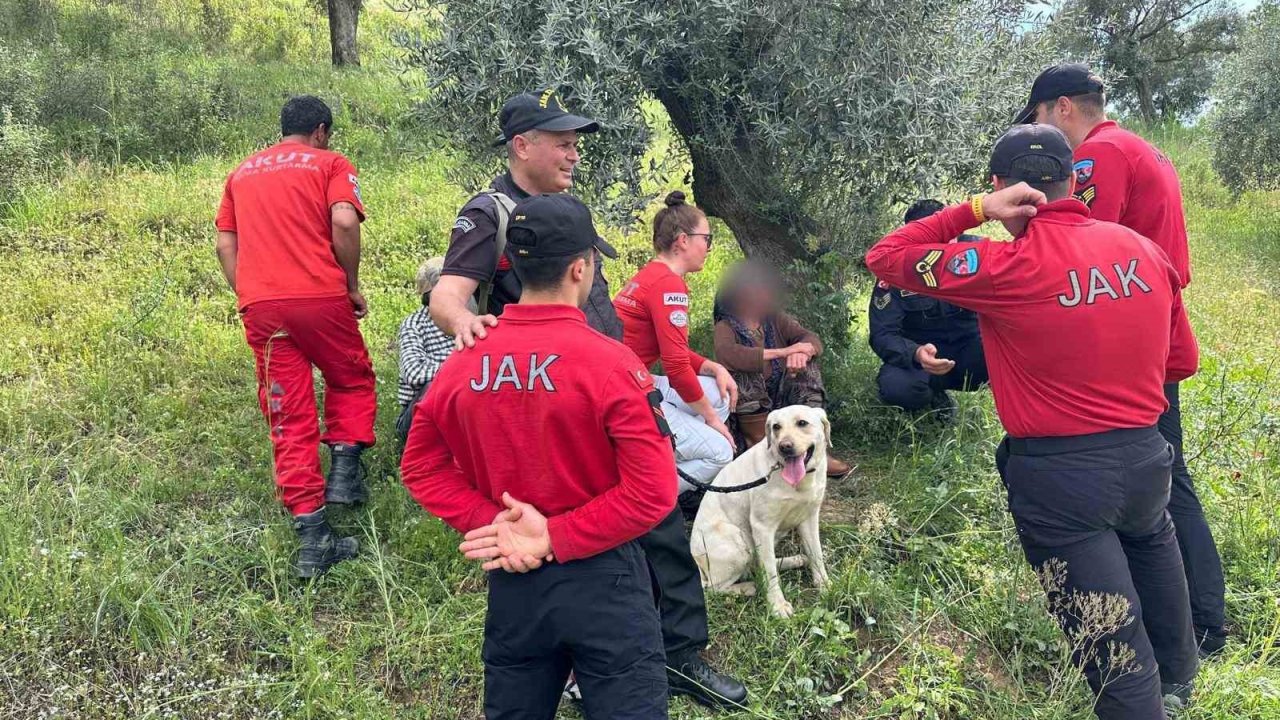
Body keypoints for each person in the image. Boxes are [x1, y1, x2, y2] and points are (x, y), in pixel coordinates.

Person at [865, 124, 1200, 719]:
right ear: (1073, 179)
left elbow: (884, 257)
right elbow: (1183, 361)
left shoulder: (1005, 264)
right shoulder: (1142, 250)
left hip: (1062, 478)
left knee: (1112, 652)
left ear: (1002, 188)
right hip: (1147, 457)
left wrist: (971, 210)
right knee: (1151, 551)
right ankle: (1179, 682)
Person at [430, 92, 747, 709]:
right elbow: (448, 295)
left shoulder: (563, 209)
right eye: (561, 142)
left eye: (576, 142)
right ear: (522, 145)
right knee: (605, 527)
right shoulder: (488, 212)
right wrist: (472, 333)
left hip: (608, 386)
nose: (574, 152)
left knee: (652, 523)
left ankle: (676, 652)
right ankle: (604, 661)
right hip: (551, 403)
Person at [401, 194, 675, 719]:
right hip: (605, 578)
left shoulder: (466, 359)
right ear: (581, 268)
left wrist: (495, 524)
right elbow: (654, 493)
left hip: (515, 582)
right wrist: (556, 536)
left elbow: (420, 466)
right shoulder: (612, 363)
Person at [1017, 62, 1227, 657]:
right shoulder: (1142, 148)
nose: (1043, 139)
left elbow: (1083, 248)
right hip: (1152, 327)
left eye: (1037, 119)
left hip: (1128, 345)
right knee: (1165, 478)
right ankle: (1199, 619)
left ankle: (1202, 625)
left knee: (1166, 486)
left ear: (1061, 108)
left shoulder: (1099, 156)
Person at [214, 95, 373, 578]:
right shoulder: (330, 163)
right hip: (320, 297)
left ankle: (313, 539)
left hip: (262, 307)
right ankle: (345, 476)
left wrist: (250, 293)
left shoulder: (242, 172)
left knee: (287, 413)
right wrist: (350, 283)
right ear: (321, 131)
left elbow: (225, 243)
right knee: (350, 378)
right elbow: (344, 219)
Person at [614, 191, 738, 494]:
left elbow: (672, 349)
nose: (708, 248)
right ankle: (651, 496)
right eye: (706, 239)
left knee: (718, 393)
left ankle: (667, 449)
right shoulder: (668, 285)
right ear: (683, 240)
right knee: (721, 451)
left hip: (628, 379)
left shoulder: (650, 275)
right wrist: (712, 422)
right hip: (627, 391)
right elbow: (677, 366)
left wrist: (712, 367)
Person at [711, 260, 852, 477]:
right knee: (744, 374)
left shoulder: (774, 319)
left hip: (781, 400)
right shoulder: (725, 327)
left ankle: (812, 447)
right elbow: (729, 355)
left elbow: (810, 339)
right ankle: (761, 448)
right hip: (746, 414)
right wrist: (783, 352)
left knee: (807, 364)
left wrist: (801, 352)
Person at [869, 200, 989, 418]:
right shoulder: (893, 271)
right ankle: (935, 397)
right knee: (895, 386)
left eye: (945, 237)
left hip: (974, 351)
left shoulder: (980, 254)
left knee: (1021, 356)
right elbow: (882, 334)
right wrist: (916, 353)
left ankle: (1020, 420)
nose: (939, 247)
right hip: (921, 360)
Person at [395, 257, 454, 443]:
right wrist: (460, 369)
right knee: (433, 388)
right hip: (417, 416)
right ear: (428, 297)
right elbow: (413, 373)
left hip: (458, 404)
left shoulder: (469, 318)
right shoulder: (415, 324)